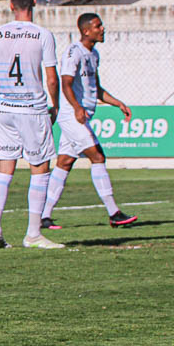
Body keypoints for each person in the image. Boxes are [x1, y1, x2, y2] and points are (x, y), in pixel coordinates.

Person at [0, 0, 64, 250]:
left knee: (5, 170)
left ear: (10, 4)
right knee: (40, 169)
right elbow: (51, 76)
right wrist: (56, 105)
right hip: (32, 110)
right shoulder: (42, 35)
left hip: (4, 109)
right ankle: (33, 234)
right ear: (34, 3)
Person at [41, 13, 137, 228]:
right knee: (98, 156)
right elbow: (65, 83)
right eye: (97, 26)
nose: (102, 29)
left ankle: (43, 216)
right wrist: (76, 108)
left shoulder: (93, 55)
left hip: (79, 115)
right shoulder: (73, 52)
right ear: (86, 31)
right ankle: (114, 213)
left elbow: (97, 89)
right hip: (72, 116)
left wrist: (118, 103)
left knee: (65, 163)